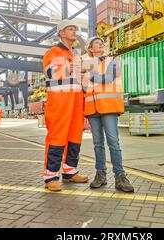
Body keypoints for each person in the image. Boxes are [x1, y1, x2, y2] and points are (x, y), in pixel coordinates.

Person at [82, 37, 134, 193]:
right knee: (98, 144)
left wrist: (90, 75)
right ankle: (100, 175)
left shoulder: (113, 60)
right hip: (92, 108)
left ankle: (120, 177)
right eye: (97, 43)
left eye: (101, 43)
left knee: (113, 142)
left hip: (109, 106)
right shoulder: (86, 65)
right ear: (90, 49)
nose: (101, 45)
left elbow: (109, 78)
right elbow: (84, 88)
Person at [41, 19, 88, 192]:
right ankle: (51, 176)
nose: (74, 32)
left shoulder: (76, 55)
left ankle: (70, 172)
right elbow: (50, 72)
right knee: (57, 137)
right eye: (70, 29)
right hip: (60, 102)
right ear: (61, 32)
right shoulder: (53, 52)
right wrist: (72, 66)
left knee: (75, 137)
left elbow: (82, 79)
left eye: (75, 29)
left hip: (76, 102)